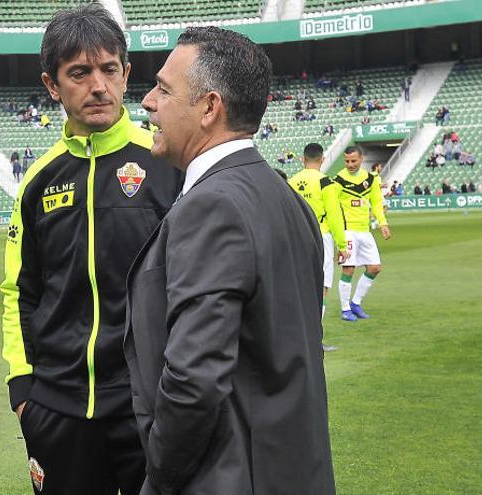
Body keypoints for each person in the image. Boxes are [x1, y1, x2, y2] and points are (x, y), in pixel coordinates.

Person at [128, 26, 335, 494]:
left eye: (163, 88)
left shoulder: (213, 205)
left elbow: (193, 381)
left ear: (209, 108)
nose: (147, 102)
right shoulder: (288, 198)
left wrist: (158, 479)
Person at [0, 5, 182, 494]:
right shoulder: (37, 182)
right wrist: (23, 390)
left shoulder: (167, 164)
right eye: (79, 73)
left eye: (108, 69)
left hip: (149, 402)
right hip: (58, 407)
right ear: (52, 85)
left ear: (126, 74)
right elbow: (20, 291)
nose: (97, 86)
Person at [288, 142, 348, 351]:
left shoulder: (292, 182)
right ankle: (313, 340)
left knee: (298, 287)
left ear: (302, 160)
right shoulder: (326, 183)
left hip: (295, 237)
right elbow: (334, 215)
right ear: (322, 160)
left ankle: (295, 337)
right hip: (320, 237)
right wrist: (342, 245)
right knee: (320, 288)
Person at [334, 146, 391, 321]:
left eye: (354, 161)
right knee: (349, 269)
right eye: (347, 161)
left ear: (361, 159)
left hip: (364, 231)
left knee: (374, 267)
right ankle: (345, 310)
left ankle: (355, 303)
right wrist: (338, 237)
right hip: (347, 231)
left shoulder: (370, 179)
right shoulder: (338, 180)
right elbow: (334, 207)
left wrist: (383, 224)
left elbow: (376, 203)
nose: (350, 164)